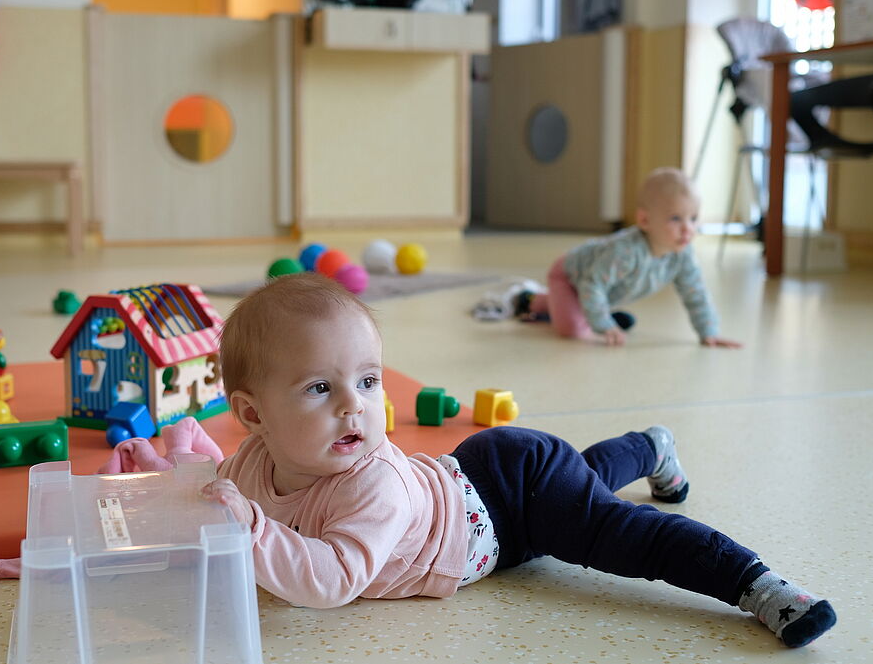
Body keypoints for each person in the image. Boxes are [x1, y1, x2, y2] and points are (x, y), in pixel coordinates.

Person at [199, 273, 835, 648]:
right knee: (586, 485)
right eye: (320, 389)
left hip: (510, 503)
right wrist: (176, 466)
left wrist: (251, 531)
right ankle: (651, 448)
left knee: (616, 532)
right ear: (253, 416)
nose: (355, 408)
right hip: (483, 477)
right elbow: (213, 489)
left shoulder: (375, 484)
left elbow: (332, 580)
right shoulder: (255, 461)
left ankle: (754, 583)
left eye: (368, 381)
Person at [523, 167, 742, 347]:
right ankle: (536, 300)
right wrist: (604, 326)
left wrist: (708, 331)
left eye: (693, 218)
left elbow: (695, 293)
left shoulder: (682, 255)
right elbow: (592, 284)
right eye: (675, 219)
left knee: (588, 311)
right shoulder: (626, 252)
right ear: (644, 220)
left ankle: (587, 311)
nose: (687, 229)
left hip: (600, 290)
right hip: (570, 278)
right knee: (572, 330)